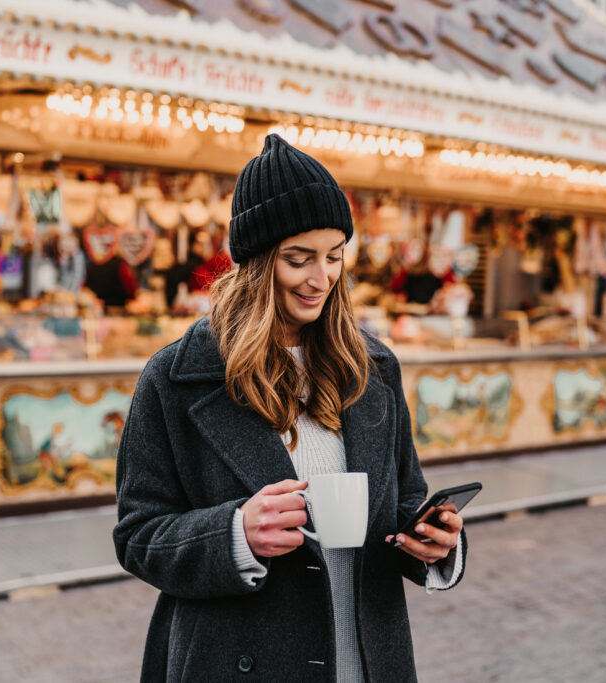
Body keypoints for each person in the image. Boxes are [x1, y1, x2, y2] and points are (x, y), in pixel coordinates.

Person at [113, 134, 467, 682]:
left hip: (366, 661)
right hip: (237, 660)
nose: (320, 278)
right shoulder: (176, 378)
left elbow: (403, 501)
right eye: (298, 259)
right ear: (255, 264)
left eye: (333, 257)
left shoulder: (374, 368)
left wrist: (431, 540)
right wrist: (234, 534)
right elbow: (138, 535)